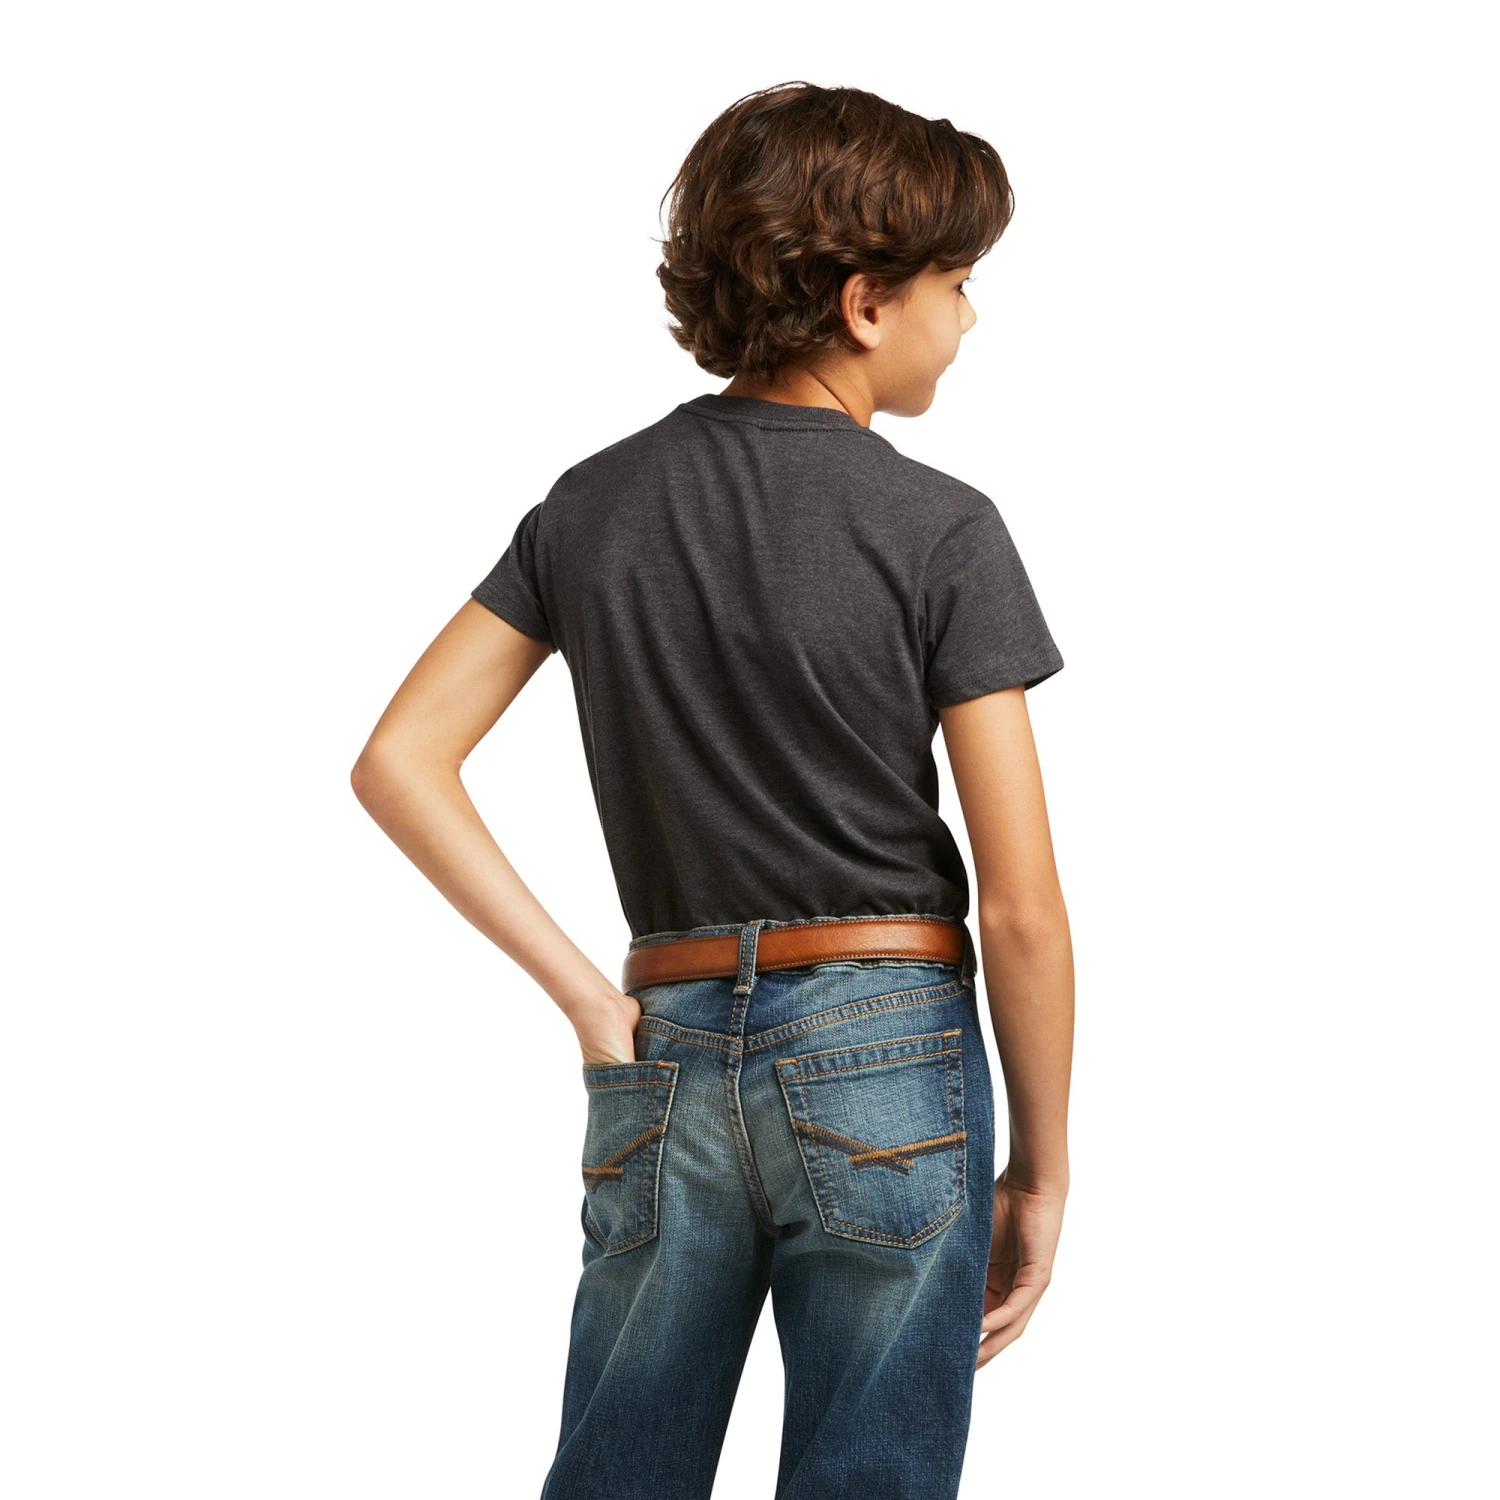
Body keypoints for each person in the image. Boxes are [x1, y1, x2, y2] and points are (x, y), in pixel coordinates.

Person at [352, 81, 1074, 1500]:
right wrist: (1040, 1171)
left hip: (661, 1044)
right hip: (890, 1046)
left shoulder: (591, 505)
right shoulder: (941, 527)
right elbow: (1023, 912)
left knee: (617, 1471)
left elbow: (400, 758)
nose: (971, 317)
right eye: (957, 283)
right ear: (867, 302)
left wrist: (587, 998)